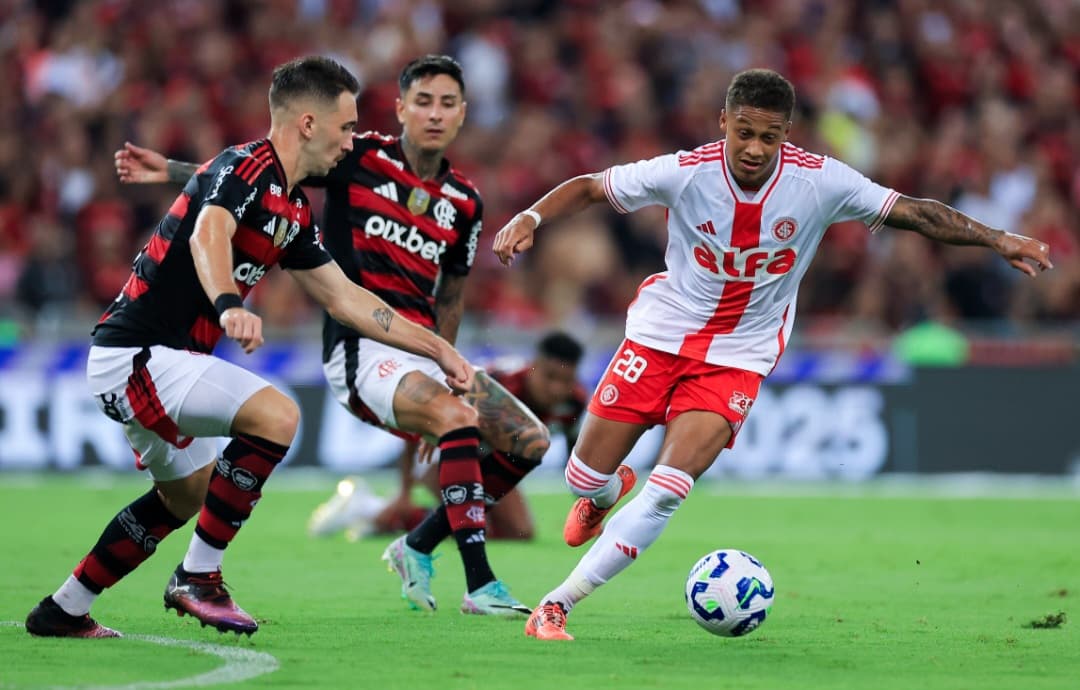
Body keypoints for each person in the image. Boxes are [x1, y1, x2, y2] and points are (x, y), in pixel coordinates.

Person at [491, 68, 1053, 641]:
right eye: (745, 133)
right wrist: (530, 216)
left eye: (770, 136)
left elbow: (915, 211)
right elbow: (589, 186)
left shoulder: (820, 181)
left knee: (665, 495)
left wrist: (997, 238)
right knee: (583, 478)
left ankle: (557, 604)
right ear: (724, 124)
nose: (756, 148)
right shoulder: (685, 172)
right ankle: (603, 495)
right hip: (659, 337)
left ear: (788, 133)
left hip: (740, 356)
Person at [25, 56, 475, 639]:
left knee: (183, 496)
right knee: (277, 415)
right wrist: (228, 303)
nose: (351, 141)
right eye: (345, 127)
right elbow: (209, 232)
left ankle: (64, 608)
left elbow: (346, 299)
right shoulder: (244, 168)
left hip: (151, 363)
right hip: (137, 355)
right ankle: (199, 578)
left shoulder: (290, 207)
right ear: (308, 124)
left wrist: (436, 347)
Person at [114, 55, 548, 617]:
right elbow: (254, 179)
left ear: (463, 113)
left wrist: (444, 370)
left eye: (447, 104)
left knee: (528, 440)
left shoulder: (466, 201)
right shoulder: (358, 156)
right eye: (422, 101)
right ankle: (480, 584)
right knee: (460, 421)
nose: (434, 115)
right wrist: (171, 170)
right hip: (360, 346)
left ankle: (415, 544)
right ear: (399, 109)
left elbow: (451, 298)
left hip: (418, 349)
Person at [308, 330, 588, 541]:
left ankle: (374, 512)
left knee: (516, 532)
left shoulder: (573, 402)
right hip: (441, 452)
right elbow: (421, 415)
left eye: (566, 380)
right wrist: (406, 491)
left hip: (483, 460)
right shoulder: (502, 387)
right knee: (479, 524)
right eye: (550, 377)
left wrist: (586, 515)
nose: (556, 388)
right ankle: (376, 511)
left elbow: (575, 463)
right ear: (534, 365)